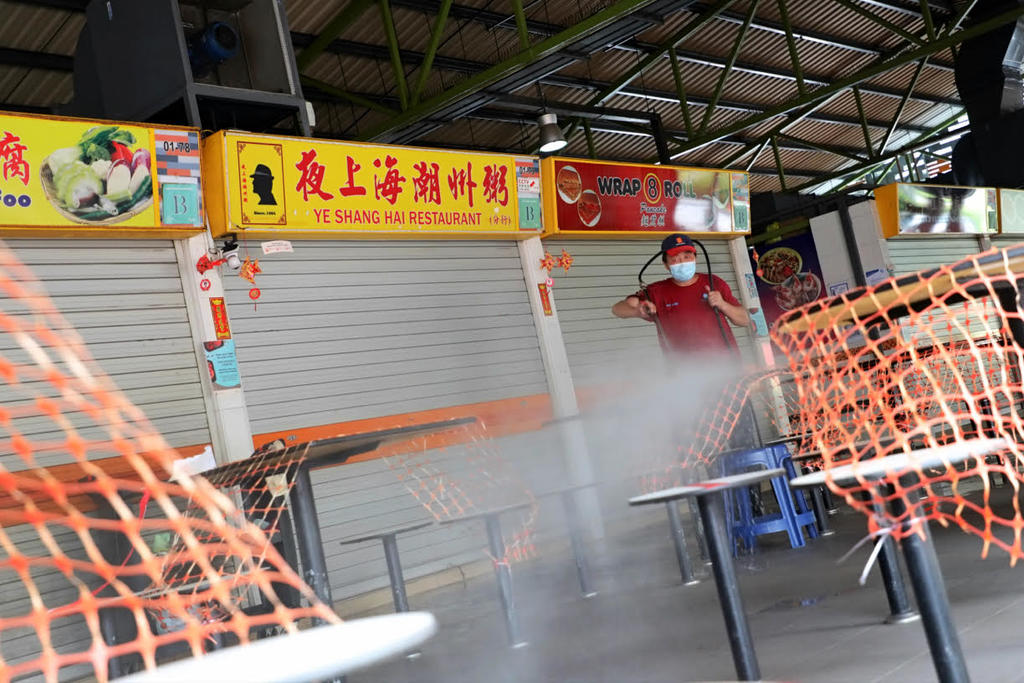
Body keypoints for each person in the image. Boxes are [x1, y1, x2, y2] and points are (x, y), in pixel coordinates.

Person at [611, 233, 750, 356]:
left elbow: (744, 320)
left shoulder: (714, 283)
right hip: (682, 372)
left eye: (687, 256)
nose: (682, 262)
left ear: (695, 258)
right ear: (666, 264)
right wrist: (637, 311)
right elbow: (617, 309)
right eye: (675, 259)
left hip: (726, 365)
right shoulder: (655, 291)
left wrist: (723, 305)